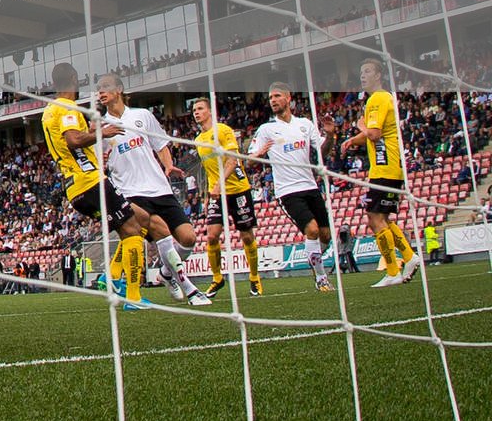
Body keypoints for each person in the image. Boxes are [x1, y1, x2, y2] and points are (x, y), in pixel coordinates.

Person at [39, 63, 149, 308]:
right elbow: (73, 140)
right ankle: (132, 296)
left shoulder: (49, 111)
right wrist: (104, 133)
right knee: (133, 230)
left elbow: (69, 137)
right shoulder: (67, 107)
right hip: (90, 181)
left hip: (75, 188)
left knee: (138, 220)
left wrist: (91, 129)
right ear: (74, 79)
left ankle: (111, 277)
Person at [94, 75, 210, 305]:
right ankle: (190, 289)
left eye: (106, 87)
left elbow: (160, 144)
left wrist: (168, 165)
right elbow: (97, 164)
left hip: (159, 187)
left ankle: (167, 275)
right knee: (160, 230)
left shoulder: (142, 116)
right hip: (130, 191)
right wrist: (103, 160)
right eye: (98, 89)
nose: (101, 92)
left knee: (188, 238)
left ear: (119, 90)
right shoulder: (99, 127)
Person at [246, 83, 333, 291]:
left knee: (326, 236)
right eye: (270, 98)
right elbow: (248, 160)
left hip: (310, 187)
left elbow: (323, 153)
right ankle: (321, 278)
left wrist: (330, 135)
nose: (272, 100)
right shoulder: (266, 129)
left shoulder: (305, 124)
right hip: (288, 191)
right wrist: (257, 156)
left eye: (276, 96)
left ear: (288, 98)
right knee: (311, 230)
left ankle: (313, 258)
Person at [340, 58, 419, 286]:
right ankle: (409, 257)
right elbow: (373, 134)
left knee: (374, 219)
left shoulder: (378, 98)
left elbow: (373, 134)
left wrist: (360, 125)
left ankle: (394, 270)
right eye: (361, 72)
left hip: (385, 167)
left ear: (379, 75)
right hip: (390, 166)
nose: (362, 76)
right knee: (381, 218)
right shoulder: (383, 98)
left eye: (367, 71)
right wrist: (352, 140)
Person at [192, 97, 263, 298]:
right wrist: (207, 193)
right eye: (194, 110)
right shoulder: (198, 140)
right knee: (212, 235)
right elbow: (208, 169)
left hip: (238, 190)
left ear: (210, 111)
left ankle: (254, 277)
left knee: (247, 236)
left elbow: (233, 161)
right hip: (217, 193)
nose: (196, 112)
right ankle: (217, 278)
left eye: (200, 109)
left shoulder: (223, 131)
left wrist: (218, 184)